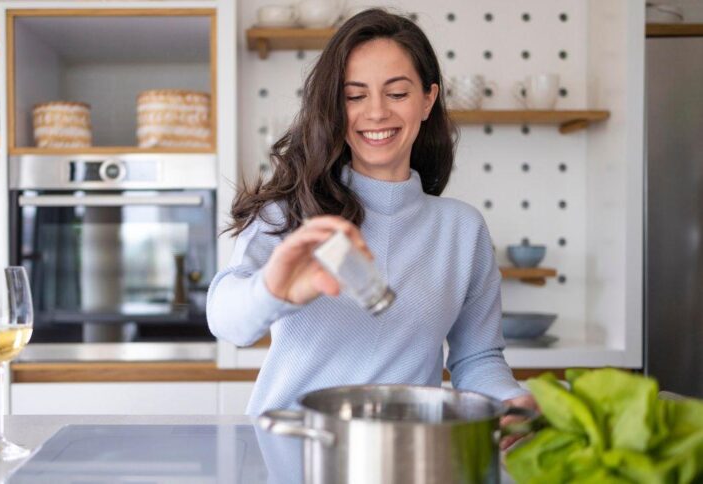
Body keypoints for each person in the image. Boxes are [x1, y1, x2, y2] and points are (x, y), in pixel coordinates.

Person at [207, 8, 535, 445]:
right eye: (354, 96)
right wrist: (273, 288)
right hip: (293, 453)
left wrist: (510, 400)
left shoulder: (462, 229)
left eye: (397, 93)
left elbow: (477, 357)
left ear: (427, 99)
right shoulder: (292, 214)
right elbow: (227, 322)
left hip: (406, 457)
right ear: (333, 107)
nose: (376, 113)